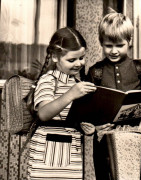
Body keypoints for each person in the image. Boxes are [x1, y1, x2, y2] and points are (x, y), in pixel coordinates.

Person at [84, 12, 141, 179]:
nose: (114, 51)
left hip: (133, 135)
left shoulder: (140, 67)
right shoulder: (96, 71)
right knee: (104, 174)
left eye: (120, 45)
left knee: (131, 174)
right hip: (104, 136)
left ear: (129, 41)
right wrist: (94, 125)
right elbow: (88, 105)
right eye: (108, 45)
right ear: (101, 42)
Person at [28, 27, 96, 180]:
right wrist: (71, 94)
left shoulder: (77, 83)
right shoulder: (48, 80)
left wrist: (85, 127)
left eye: (82, 58)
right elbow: (44, 114)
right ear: (54, 57)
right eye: (71, 60)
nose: (79, 63)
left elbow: (71, 117)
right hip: (46, 157)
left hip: (71, 155)